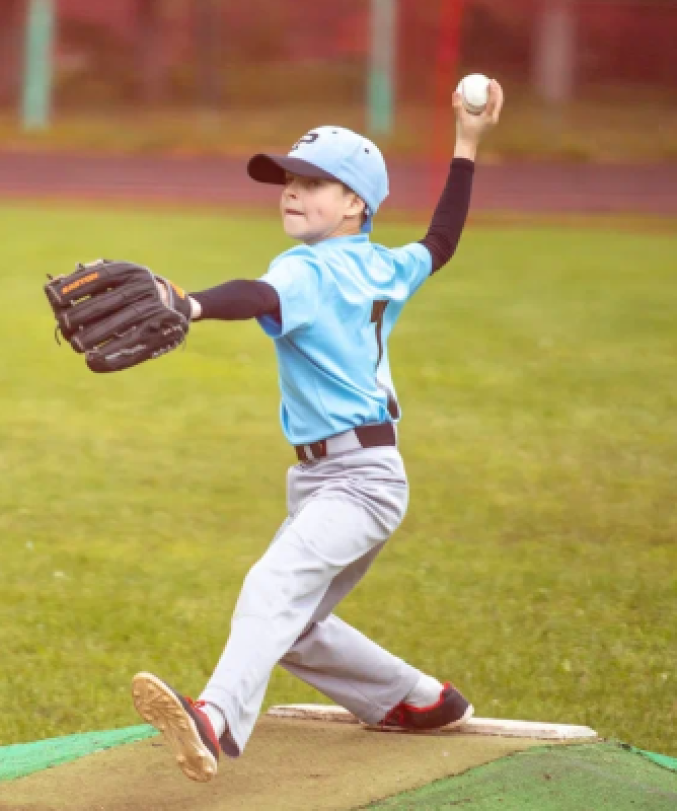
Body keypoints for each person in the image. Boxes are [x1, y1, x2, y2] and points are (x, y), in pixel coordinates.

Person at [132, 81, 505, 783]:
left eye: (314, 182)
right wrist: (467, 144)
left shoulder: (307, 268)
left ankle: (213, 719)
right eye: (288, 180)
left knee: (272, 588)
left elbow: (259, 294)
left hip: (355, 483)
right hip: (348, 478)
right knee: (294, 626)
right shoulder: (381, 264)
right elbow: (442, 241)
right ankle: (417, 698)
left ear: (356, 204)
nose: (291, 191)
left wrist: (191, 303)